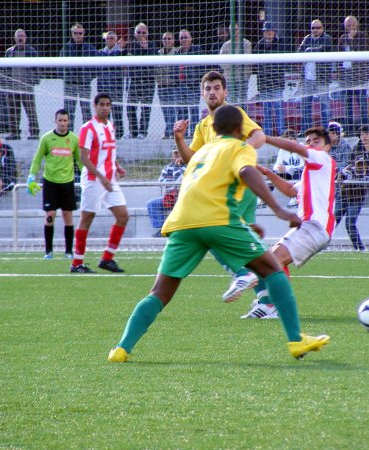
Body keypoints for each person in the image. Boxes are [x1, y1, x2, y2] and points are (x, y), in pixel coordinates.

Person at [108, 105, 330, 363]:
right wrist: (279, 209)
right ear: (240, 129)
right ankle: (296, 340)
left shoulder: (201, 152)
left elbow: (207, 187)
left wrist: (245, 224)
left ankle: (121, 349)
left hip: (182, 224)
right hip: (218, 220)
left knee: (159, 292)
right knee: (272, 269)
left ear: (213, 128)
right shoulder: (241, 147)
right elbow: (247, 173)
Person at [174, 70, 266, 302]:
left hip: (237, 188)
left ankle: (241, 273)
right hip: (230, 191)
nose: (212, 92)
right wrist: (179, 140)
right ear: (202, 93)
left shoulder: (234, 114)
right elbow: (192, 159)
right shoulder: (202, 125)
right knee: (248, 247)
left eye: (217, 88)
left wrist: (237, 152)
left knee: (212, 234)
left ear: (225, 92)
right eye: (208, 88)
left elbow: (259, 136)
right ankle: (267, 301)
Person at [241, 126, 337, 318]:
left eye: (316, 141)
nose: (310, 144)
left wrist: (265, 138)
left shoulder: (322, 159)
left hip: (314, 226)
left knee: (272, 260)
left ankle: (276, 306)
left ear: (327, 147)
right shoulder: (313, 172)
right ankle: (272, 303)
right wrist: (267, 173)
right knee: (270, 259)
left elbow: (295, 147)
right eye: (308, 141)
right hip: (312, 227)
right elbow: (291, 190)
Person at [70, 93, 128, 274]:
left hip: (109, 179)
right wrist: (102, 178)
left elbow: (108, 152)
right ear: (95, 106)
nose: (105, 107)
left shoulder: (110, 126)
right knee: (87, 219)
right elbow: (84, 158)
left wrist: (117, 166)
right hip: (94, 180)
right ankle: (76, 263)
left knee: (123, 216)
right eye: (101, 104)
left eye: (108, 104)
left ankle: (107, 258)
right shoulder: (88, 128)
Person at [27, 109, 80, 259]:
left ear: (68, 121)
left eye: (65, 120)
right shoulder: (46, 138)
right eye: (60, 120)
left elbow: (80, 160)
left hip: (67, 183)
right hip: (50, 183)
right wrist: (31, 176)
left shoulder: (74, 139)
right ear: (55, 121)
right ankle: (48, 251)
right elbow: (37, 158)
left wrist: (87, 175)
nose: (62, 123)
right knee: (50, 215)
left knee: (67, 215)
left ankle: (68, 251)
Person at [333, 155, 369, 250]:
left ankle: (359, 248)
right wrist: (339, 176)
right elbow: (339, 176)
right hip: (343, 198)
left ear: (366, 165)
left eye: (363, 164)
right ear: (355, 164)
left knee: (349, 224)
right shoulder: (349, 170)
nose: (360, 166)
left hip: (356, 201)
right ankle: (321, 244)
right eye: (359, 164)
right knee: (332, 222)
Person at [59, 24, 98, 131]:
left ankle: (88, 133)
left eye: (80, 33)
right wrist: (67, 78)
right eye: (75, 33)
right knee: (69, 111)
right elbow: (60, 67)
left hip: (84, 84)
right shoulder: (66, 48)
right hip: (70, 84)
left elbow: (96, 66)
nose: (78, 35)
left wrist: (88, 77)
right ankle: (68, 133)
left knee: (86, 110)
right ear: (72, 34)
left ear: (84, 34)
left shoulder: (90, 48)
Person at [337, 16, 369, 134]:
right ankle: (349, 130)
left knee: (362, 104)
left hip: (359, 77)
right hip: (346, 77)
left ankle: (366, 130)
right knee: (347, 106)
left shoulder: (363, 36)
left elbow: (360, 51)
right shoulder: (342, 38)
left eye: (352, 24)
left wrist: (351, 40)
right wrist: (339, 71)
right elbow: (339, 56)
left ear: (357, 25)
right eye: (348, 25)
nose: (350, 27)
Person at [298, 19, 333, 134]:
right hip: (307, 78)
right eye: (313, 28)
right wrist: (309, 49)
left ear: (322, 28)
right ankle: (306, 130)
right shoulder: (307, 38)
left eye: (318, 28)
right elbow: (299, 51)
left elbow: (324, 48)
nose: (316, 30)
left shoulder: (327, 38)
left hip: (322, 78)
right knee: (305, 105)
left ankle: (326, 130)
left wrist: (309, 50)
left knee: (324, 105)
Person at [254, 21, 288, 136]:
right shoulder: (259, 45)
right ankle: (267, 134)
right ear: (263, 32)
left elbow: (282, 63)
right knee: (266, 111)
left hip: (277, 83)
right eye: (266, 31)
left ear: (274, 32)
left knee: (279, 110)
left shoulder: (280, 43)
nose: (269, 33)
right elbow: (257, 66)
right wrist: (259, 86)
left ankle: (281, 133)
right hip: (265, 84)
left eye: (271, 31)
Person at [5, 29, 40, 140]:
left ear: (25, 38)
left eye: (22, 36)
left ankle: (34, 133)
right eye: (18, 36)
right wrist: (7, 82)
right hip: (12, 87)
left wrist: (33, 81)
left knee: (30, 111)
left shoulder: (31, 52)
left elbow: (37, 68)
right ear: (15, 38)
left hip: (26, 87)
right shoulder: (9, 52)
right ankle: (14, 133)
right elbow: (6, 68)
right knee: (13, 111)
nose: (20, 38)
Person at [126, 23, 157, 139]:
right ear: (135, 34)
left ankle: (142, 132)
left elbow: (154, 62)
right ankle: (133, 131)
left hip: (148, 82)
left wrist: (146, 49)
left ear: (147, 34)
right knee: (130, 107)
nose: (141, 35)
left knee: (145, 108)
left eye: (143, 32)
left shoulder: (152, 45)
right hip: (134, 81)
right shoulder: (131, 45)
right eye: (139, 32)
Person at [147, 149, 185, 237]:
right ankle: (162, 230)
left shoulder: (190, 165)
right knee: (152, 204)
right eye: (175, 153)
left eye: (179, 153)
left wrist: (177, 167)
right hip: (170, 197)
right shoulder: (167, 167)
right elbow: (161, 182)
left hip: (185, 197)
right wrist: (174, 186)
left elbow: (183, 181)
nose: (177, 155)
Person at [175, 29, 204, 138]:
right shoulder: (177, 52)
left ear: (191, 38)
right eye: (181, 38)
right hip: (180, 85)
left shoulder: (197, 50)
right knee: (181, 111)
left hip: (193, 85)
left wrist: (199, 80)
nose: (183, 40)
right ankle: (183, 133)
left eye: (185, 37)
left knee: (194, 110)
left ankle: (194, 133)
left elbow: (202, 68)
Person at [98, 31, 127, 139]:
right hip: (103, 87)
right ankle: (105, 133)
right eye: (108, 38)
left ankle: (118, 135)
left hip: (116, 87)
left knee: (117, 111)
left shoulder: (121, 52)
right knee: (104, 112)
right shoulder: (100, 53)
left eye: (112, 38)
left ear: (116, 40)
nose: (110, 40)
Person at [219, 23, 252, 106]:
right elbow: (221, 63)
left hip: (243, 78)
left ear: (240, 30)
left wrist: (231, 64)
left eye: (236, 29)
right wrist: (235, 64)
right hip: (229, 79)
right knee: (231, 102)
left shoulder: (246, 44)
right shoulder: (225, 45)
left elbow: (246, 60)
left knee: (243, 102)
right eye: (232, 30)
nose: (234, 32)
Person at [271, 128, 303, 208]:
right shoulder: (283, 150)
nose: (289, 141)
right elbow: (276, 165)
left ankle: (295, 198)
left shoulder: (301, 148)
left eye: (291, 139)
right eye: (286, 140)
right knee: (272, 174)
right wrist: (278, 168)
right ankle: (263, 198)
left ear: (296, 140)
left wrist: (286, 168)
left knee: (297, 172)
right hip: (288, 173)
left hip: (301, 174)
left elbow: (302, 166)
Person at [351, 125, 369, 205]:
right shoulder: (356, 148)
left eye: (367, 134)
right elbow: (352, 163)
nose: (364, 136)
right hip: (361, 173)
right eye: (362, 134)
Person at [156, 32, 178, 139]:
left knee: (172, 110)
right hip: (161, 85)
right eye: (165, 39)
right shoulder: (158, 53)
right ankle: (170, 131)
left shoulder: (177, 53)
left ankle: (168, 132)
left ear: (173, 41)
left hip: (172, 85)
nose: (167, 41)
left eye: (169, 39)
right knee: (165, 110)